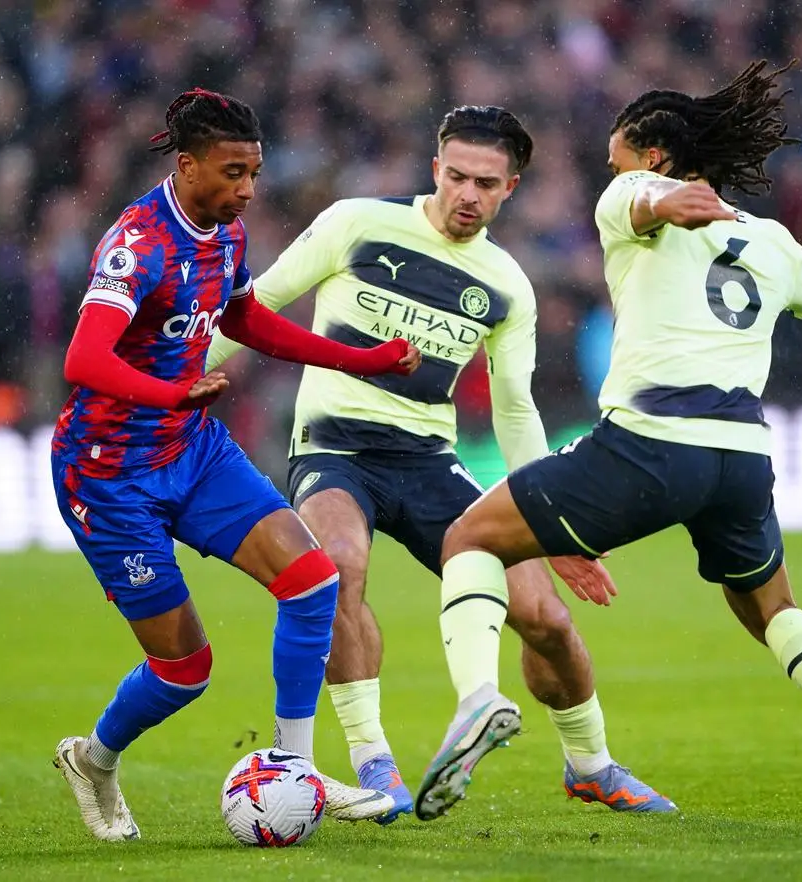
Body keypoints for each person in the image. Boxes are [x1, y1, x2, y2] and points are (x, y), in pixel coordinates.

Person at [413, 63, 802, 836]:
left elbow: (648, 202)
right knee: (774, 610)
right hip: (742, 458)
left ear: (649, 155)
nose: (609, 169)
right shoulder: (771, 239)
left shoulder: (628, 193)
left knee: (469, 538)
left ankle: (478, 700)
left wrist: (668, 199)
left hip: (653, 443)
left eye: (618, 156)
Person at [206, 105, 673, 823]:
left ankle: (592, 766)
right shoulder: (355, 223)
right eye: (456, 176)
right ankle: (376, 765)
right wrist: (175, 383)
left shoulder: (506, 284)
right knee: (334, 568)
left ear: (509, 188)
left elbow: (516, 411)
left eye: (485, 184)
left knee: (544, 615)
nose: (467, 195)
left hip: (428, 461)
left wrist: (554, 522)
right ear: (435, 170)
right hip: (336, 448)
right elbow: (257, 303)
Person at [49, 87, 421, 842]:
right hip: (109, 474)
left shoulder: (224, 234)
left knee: (313, 581)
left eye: (254, 172)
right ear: (185, 166)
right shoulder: (138, 243)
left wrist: (361, 359)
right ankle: (93, 759)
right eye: (232, 173)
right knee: (186, 671)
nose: (247, 189)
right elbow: (82, 357)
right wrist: (171, 389)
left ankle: (297, 771)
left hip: (190, 447)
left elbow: (244, 318)